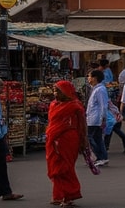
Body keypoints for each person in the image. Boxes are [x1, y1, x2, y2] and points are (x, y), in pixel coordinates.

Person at [45, 80, 86, 208]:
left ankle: (69, 197)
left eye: (57, 90)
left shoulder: (75, 106)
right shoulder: (53, 105)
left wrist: (83, 141)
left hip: (68, 140)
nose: (55, 93)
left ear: (66, 92)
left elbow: (82, 125)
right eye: (54, 90)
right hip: (52, 139)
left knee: (65, 168)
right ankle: (58, 195)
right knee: (55, 168)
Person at [84, 68, 111, 167]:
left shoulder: (100, 89)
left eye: (89, 76)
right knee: (97, 139)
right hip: (92, 118)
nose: (88, 78)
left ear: (95, 78)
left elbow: (103, 105)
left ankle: (100, 157)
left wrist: (102, 119)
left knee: (91, 138)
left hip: (95, 119)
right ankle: (102, 157)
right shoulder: (95, 89)